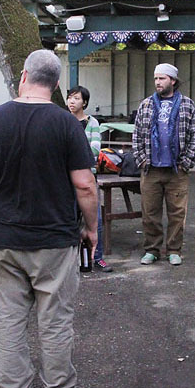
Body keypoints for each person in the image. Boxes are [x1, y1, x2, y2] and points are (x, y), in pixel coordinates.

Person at [0, 49, 98, 388]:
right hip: (55, 241)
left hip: (5, 239)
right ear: (55, 85)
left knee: (9, 318)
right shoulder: (67, 124)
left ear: (23, 76)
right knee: (54, 320)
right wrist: (91, 228)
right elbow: (85, 185)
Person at [132, 63, 195, 266]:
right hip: (151, 168)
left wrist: (186, 163)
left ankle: (174, 250)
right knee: (150, 213)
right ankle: (152, 250)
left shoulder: (187, 105)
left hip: (176, 170)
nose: (157, 82)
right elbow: (136, 135)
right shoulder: (146, 105)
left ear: (173, 80)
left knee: (177, 214)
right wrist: (141, 159)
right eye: (155, 79)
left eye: (162, 78)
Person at [67, 85, 112, 272]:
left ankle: (98, 257)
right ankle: (70, 260)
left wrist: (73, 153)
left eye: (76, 98)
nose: (72, 101)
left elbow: (94, 150)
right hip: (66, 177)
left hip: (88, 175)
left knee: (94, 218)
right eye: (70, 97)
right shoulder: (63, 120)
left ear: (84, 102)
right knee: (69, 217)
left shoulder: (93, 122)